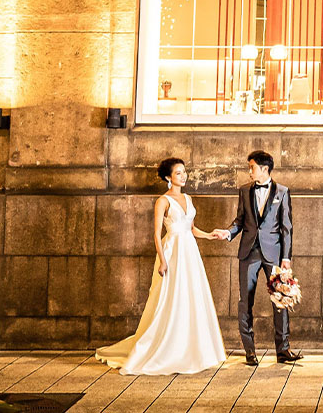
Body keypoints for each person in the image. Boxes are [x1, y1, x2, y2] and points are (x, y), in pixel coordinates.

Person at [95, 156, 226, 375]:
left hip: (190, 252)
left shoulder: (188, 198)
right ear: (168, 177)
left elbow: (191, 228)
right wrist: (163, 261)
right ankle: (164, 348)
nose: (183, 176)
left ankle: (191, 348)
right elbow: (157, 234)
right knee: (170, 296)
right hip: (173, 251)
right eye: (178, 173)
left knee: (191, 294)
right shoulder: (163, 201)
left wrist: (209, 235)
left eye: (184, 172)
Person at [212, 149, 303, 366]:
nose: (249, 172)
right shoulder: (244, 191)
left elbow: (286, 227)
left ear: (264, 168)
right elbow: (239, 221)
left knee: (281, 300)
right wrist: (228, 233)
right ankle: (249, 350)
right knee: (245, 301)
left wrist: (286, 257)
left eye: (252, 167)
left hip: (274, 254)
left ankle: (283, 349)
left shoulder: (283, 192)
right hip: (249, 253)